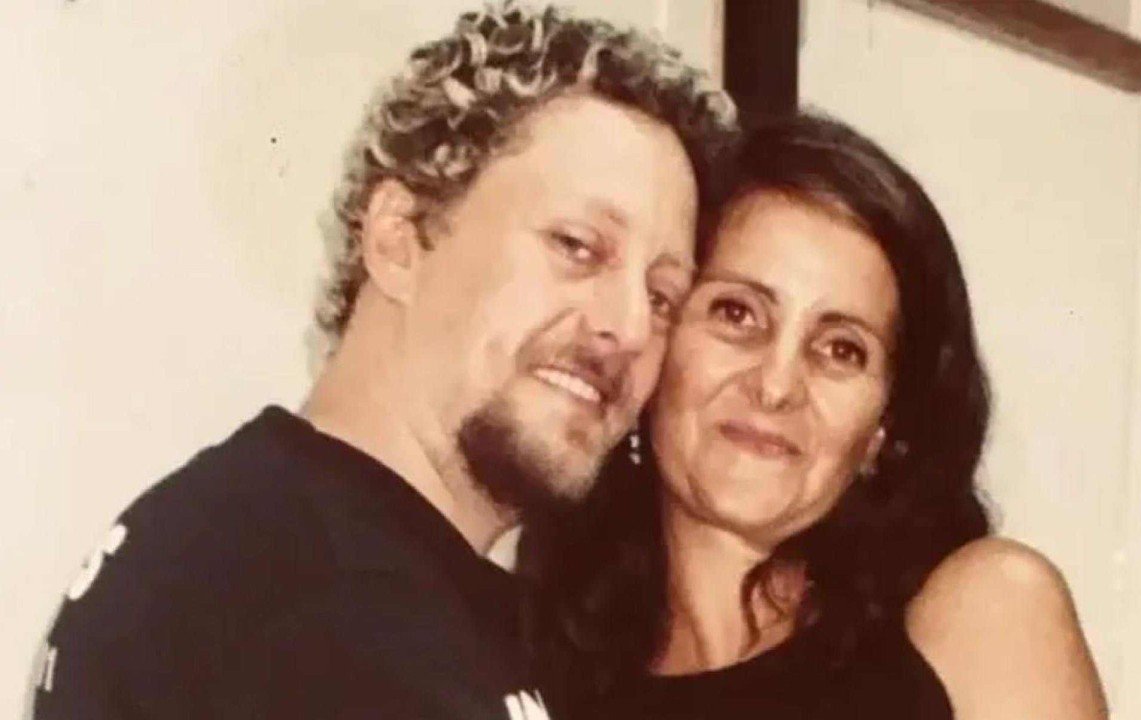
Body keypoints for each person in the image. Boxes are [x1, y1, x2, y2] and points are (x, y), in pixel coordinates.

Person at [30, 4, 735, 719]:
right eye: (577, 246)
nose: (629, 327)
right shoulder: (311, 606)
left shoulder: (316, 565)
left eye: (663, 296)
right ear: (399, 240)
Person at [520, 112, 1109, 720]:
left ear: (884, 427)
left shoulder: (982, 615)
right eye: (737, 314)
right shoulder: (543, 675)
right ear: (658, 338)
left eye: (841, 349)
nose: (775, 386)